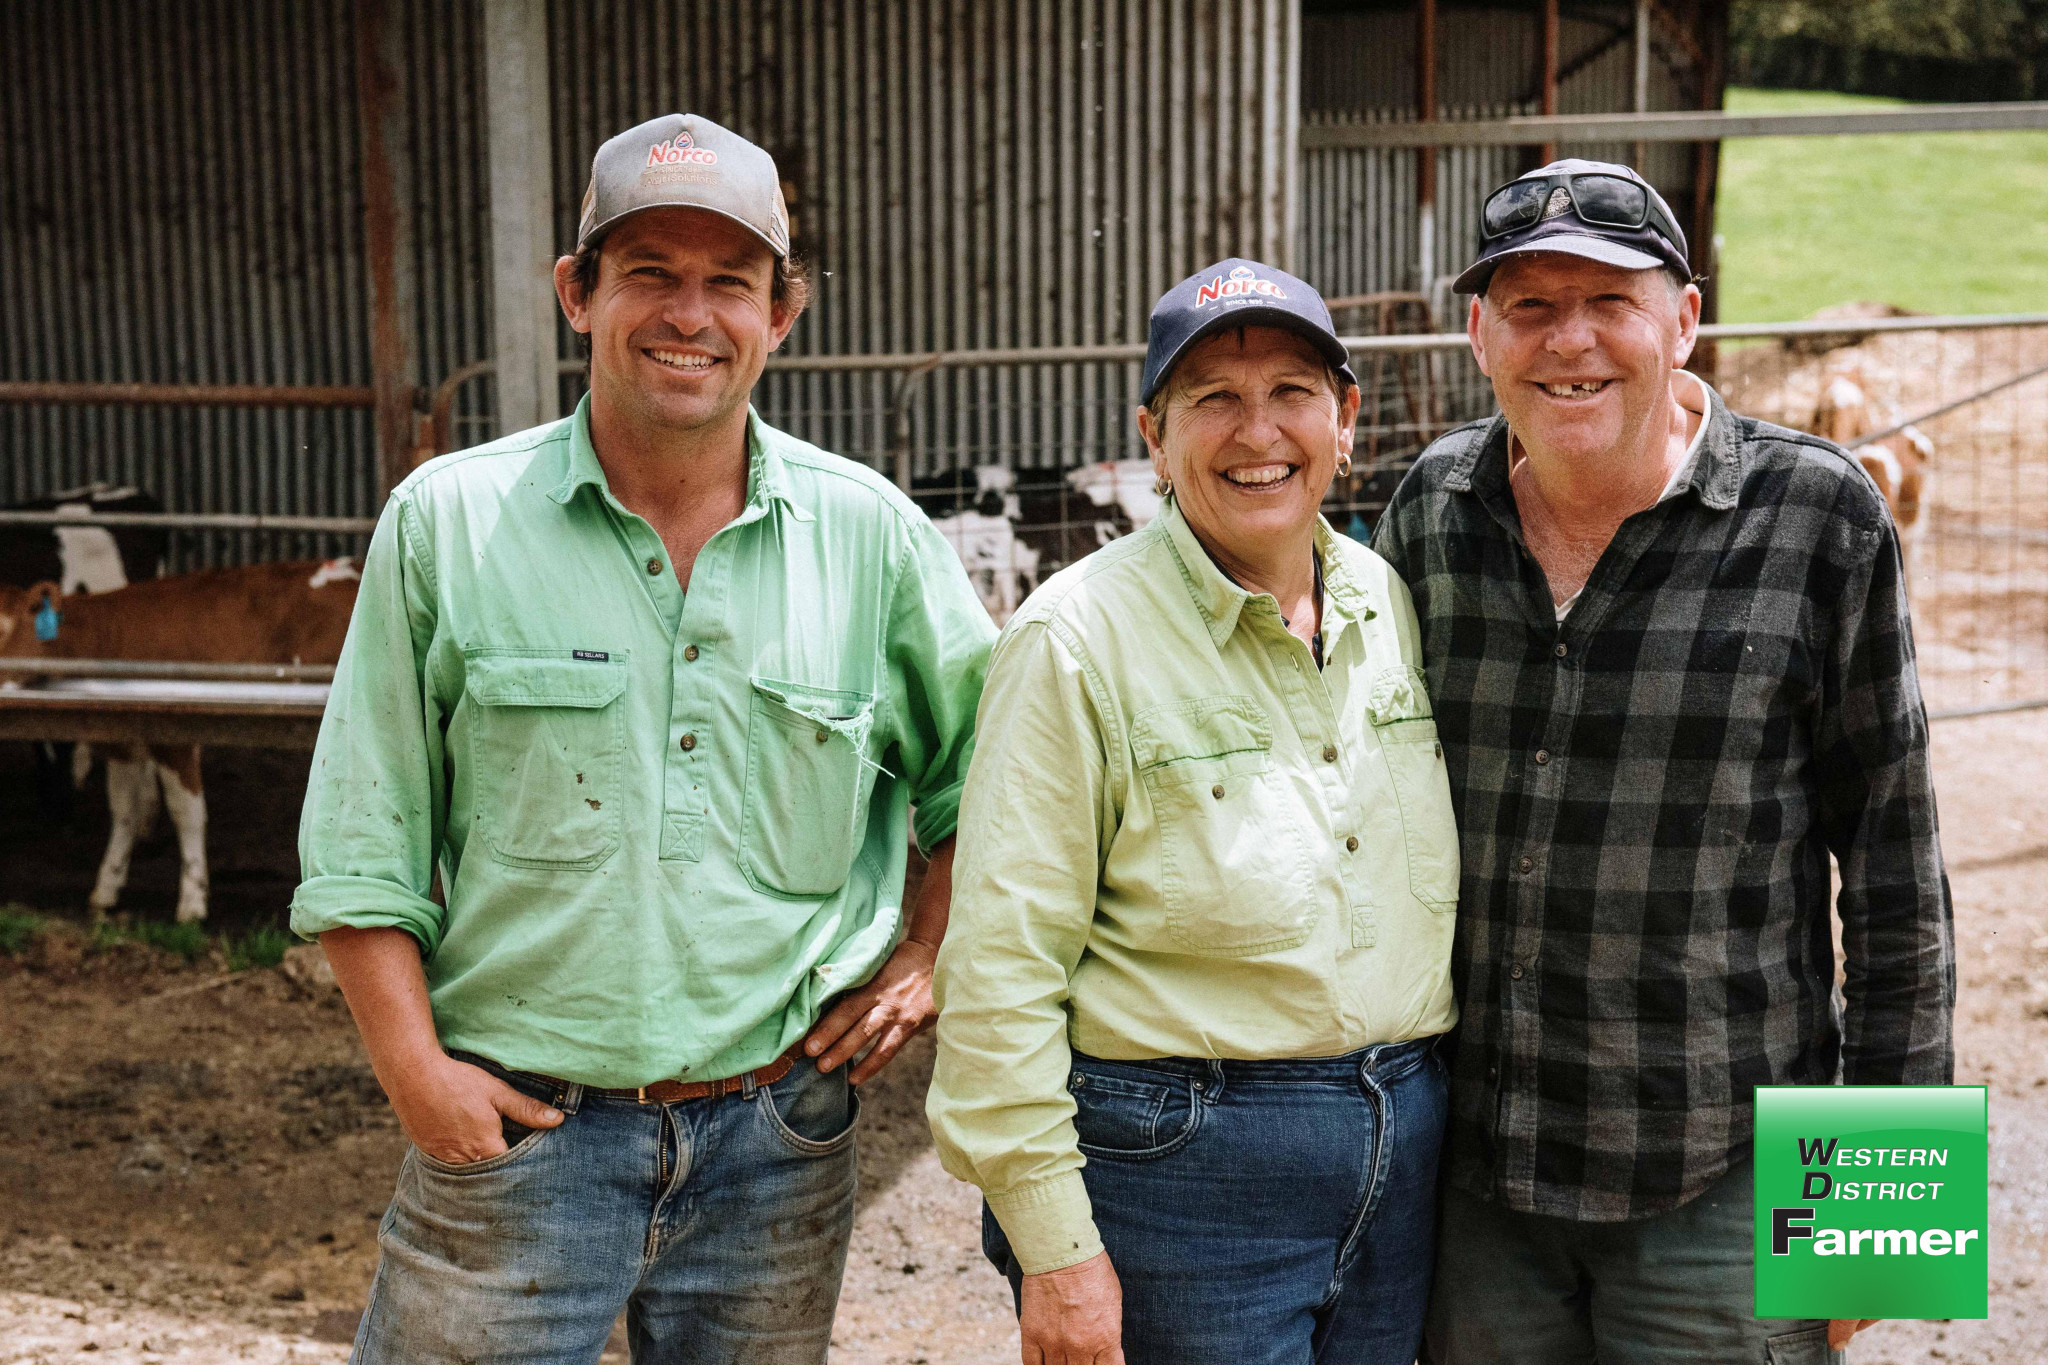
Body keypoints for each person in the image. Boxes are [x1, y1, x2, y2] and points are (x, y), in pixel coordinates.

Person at [291, 114, 993, 1364]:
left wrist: (928, 954)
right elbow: (364, 829)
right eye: (649, 274)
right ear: (578, 292)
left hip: (779, 1139)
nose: (689, 314)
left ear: (783, 313)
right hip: (517, 1132)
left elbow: (987, 782)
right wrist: (416, 1073)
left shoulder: (870, 538)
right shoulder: (449, 522)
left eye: (730, 282)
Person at [1370, 159, 1955, 1364]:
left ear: (1683, 320)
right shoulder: (1432, 509)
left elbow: (1896, 870)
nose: (1566, 342)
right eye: (1528, 306)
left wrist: (1885, 1225)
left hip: (1715, 1179)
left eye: (1609, 302)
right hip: (1476, 1179)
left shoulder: (1818, 517)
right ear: (1477, 333)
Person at [928, 259, 1461, 1365]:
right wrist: (1054, 1252)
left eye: (1290, 393)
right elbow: (997, 968)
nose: (1254, 430)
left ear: (1345, 419)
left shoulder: (1382, 600)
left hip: (1401, 1151)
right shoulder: (1074, 641)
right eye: (1211, 399)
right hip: (1180, 1177)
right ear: (1153, 438)